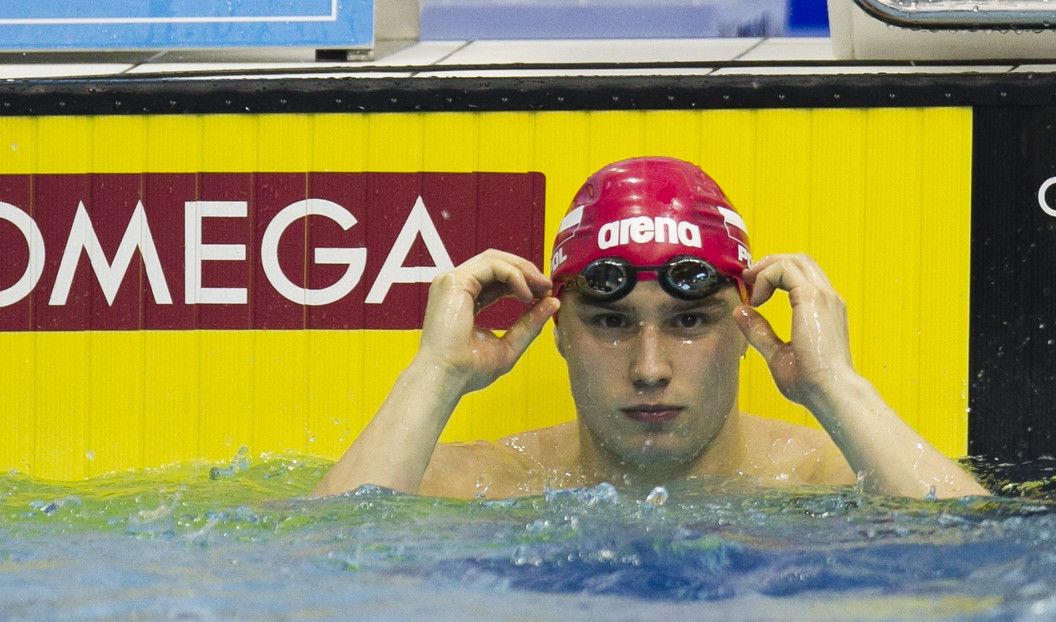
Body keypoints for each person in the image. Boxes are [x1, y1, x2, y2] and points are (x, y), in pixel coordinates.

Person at [311, 157, 987, 500]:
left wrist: (836, 387)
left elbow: (983, 569)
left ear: (748, 325)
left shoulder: (829, 475)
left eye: (690, 321)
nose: (651, 367)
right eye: (611, 323)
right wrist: (435, 377)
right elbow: (316, 572)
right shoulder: (485, 483)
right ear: (557, 328)